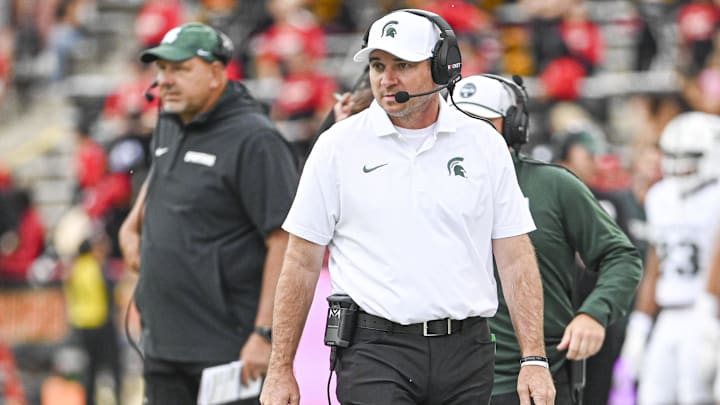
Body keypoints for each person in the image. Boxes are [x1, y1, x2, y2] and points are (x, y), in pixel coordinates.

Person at [261, 9, 555, 405]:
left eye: (403, 64)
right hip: (374, 351)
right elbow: (300, 261)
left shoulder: (484, 145)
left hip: (468, 351)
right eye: (378, 65)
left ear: (441, 67)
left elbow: (515, 255)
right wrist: (280, 369)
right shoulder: (336, 146)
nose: (386, 78)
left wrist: (533, 358)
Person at [117, 22, 299, 405]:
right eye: (161, 69)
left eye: (180, 69)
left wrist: (265, 334)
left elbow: (284, 239)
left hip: (227, 349)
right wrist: (131, 227)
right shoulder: (170, 120)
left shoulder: (255, 139)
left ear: (217, 72)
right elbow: (161, 176)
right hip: (163, 343)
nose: (165, 80)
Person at [449, 74, 642, 405]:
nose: (468, 133)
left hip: (534, 382)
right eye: (459, 121)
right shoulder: (424, 189)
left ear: (513, 127)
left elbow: (620, 256)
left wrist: (594, 313)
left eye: (481, 122)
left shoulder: (554, 186)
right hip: (448, 382)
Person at [620, 111, 720, 404]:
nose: (680, 163)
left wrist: (708, 318)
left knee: (697, 396)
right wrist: (640, 325)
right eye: (673, 154)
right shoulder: (659, 196)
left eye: (689, 155)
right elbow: (656, 265)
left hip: (706, 314)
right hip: (668, 313)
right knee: (652, 396)